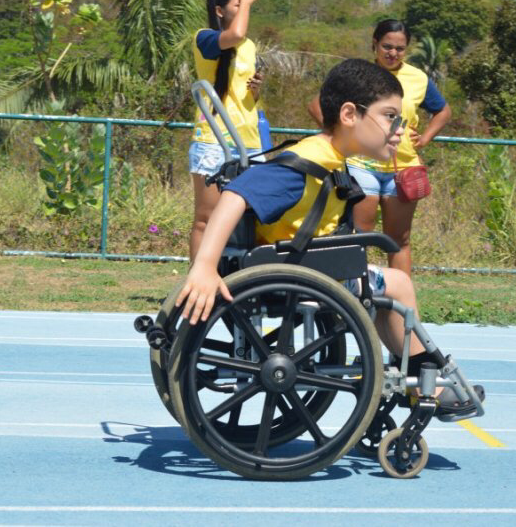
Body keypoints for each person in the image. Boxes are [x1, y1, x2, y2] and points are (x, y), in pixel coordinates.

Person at [176, 58, 482, 410]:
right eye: (390, 117)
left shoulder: (330, 156)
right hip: (298, 276)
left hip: (300, 269)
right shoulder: (309, 162)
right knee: (398, 284)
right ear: (350, 114)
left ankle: (413, 369)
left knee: (385, 283)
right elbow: (234, 195)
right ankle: (423, 377)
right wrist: (205, 265)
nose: (400, 129)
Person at [308, 19, 451, 275]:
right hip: (361, 164)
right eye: (387, 46)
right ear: (374, 44)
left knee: (399, 241)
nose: (393, 53)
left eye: (400, 48)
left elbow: (442, 111)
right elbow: (316, 105)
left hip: (403, 170)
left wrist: (425, 138)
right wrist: (338, 134)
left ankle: (401, 306)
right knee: (358, 237)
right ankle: (355, 302)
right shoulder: (358, 75)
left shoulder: (417, 78)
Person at [189, 0, 265, 260]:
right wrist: (248, 3)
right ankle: (195, 286)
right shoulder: (204, 38)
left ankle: (241, 282)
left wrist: (255, 92)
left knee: (250, 218)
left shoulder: (249, 46)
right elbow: (234, 34)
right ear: (219, 11)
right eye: (237, 1)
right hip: (215, 139)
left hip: (249, 140)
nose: (242, 2)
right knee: (206, 219)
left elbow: (245, 98)